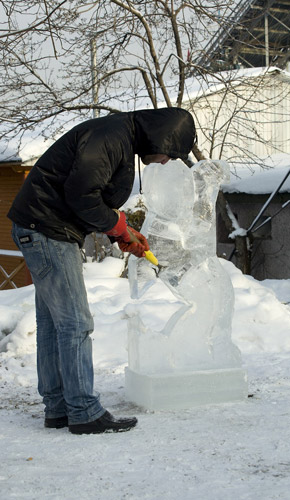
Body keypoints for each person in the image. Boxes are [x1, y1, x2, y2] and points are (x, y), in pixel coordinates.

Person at [8, 107, 196, 435]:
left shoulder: (117, 135)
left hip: (41, 226)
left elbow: (90, 197)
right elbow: (82, 196)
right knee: (75, 323)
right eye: (170, 153)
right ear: (161, 137)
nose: (167, 161)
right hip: (47, 230)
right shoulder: (111, 137)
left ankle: (59, 408)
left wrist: (118, 230)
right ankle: (82, 411)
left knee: (54, 324)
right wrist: (120, 228)